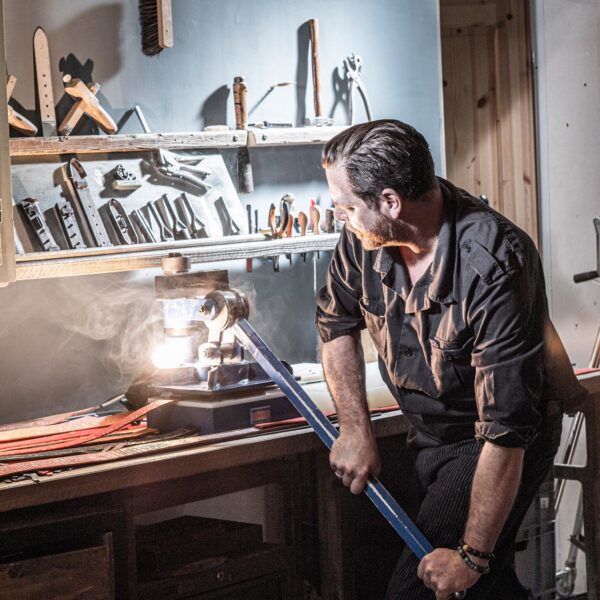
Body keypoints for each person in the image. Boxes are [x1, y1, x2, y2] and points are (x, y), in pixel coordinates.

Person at [315, 119, 587, 600]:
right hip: (426, 431)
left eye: (347, 206)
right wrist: (356, 429)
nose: (341, 216)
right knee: (476, 586)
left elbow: (505, 427)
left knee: (424, 590)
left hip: (488, 442)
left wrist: (472, 555)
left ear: (391, 202)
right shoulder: (366, 234)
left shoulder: (495, 261)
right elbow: (336, 322)